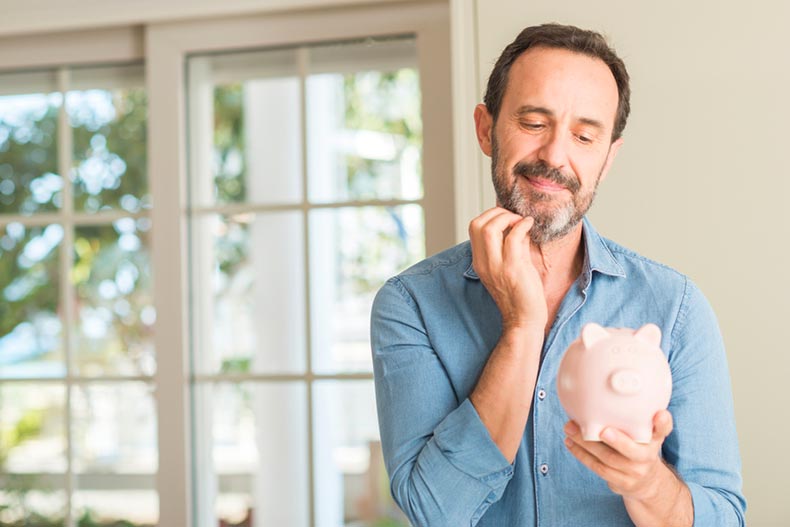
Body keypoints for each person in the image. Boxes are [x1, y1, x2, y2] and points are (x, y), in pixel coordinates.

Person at [370, 23, 746, 527]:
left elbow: (725, 517)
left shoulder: (674, 308)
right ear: (486, 129)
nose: (554, 155)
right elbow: (435, 513)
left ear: (608, 157)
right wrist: (522, 328)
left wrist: (648, 483)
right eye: (532, 122)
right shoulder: (410, 305)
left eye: (584, 135)